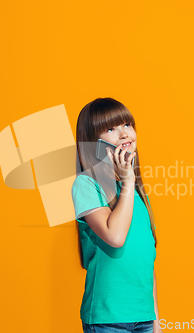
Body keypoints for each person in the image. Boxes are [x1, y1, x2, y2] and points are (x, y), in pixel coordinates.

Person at [71, 97, 162, 333]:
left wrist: (156, 322)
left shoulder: (137, 196)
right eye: (111, 128)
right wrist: (129, 180)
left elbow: (146, 262)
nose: (123, 134)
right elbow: (115, 237)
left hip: (143, 317)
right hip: (108, 318)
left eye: (127, 125)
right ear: (93, 142)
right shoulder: (86, 184)